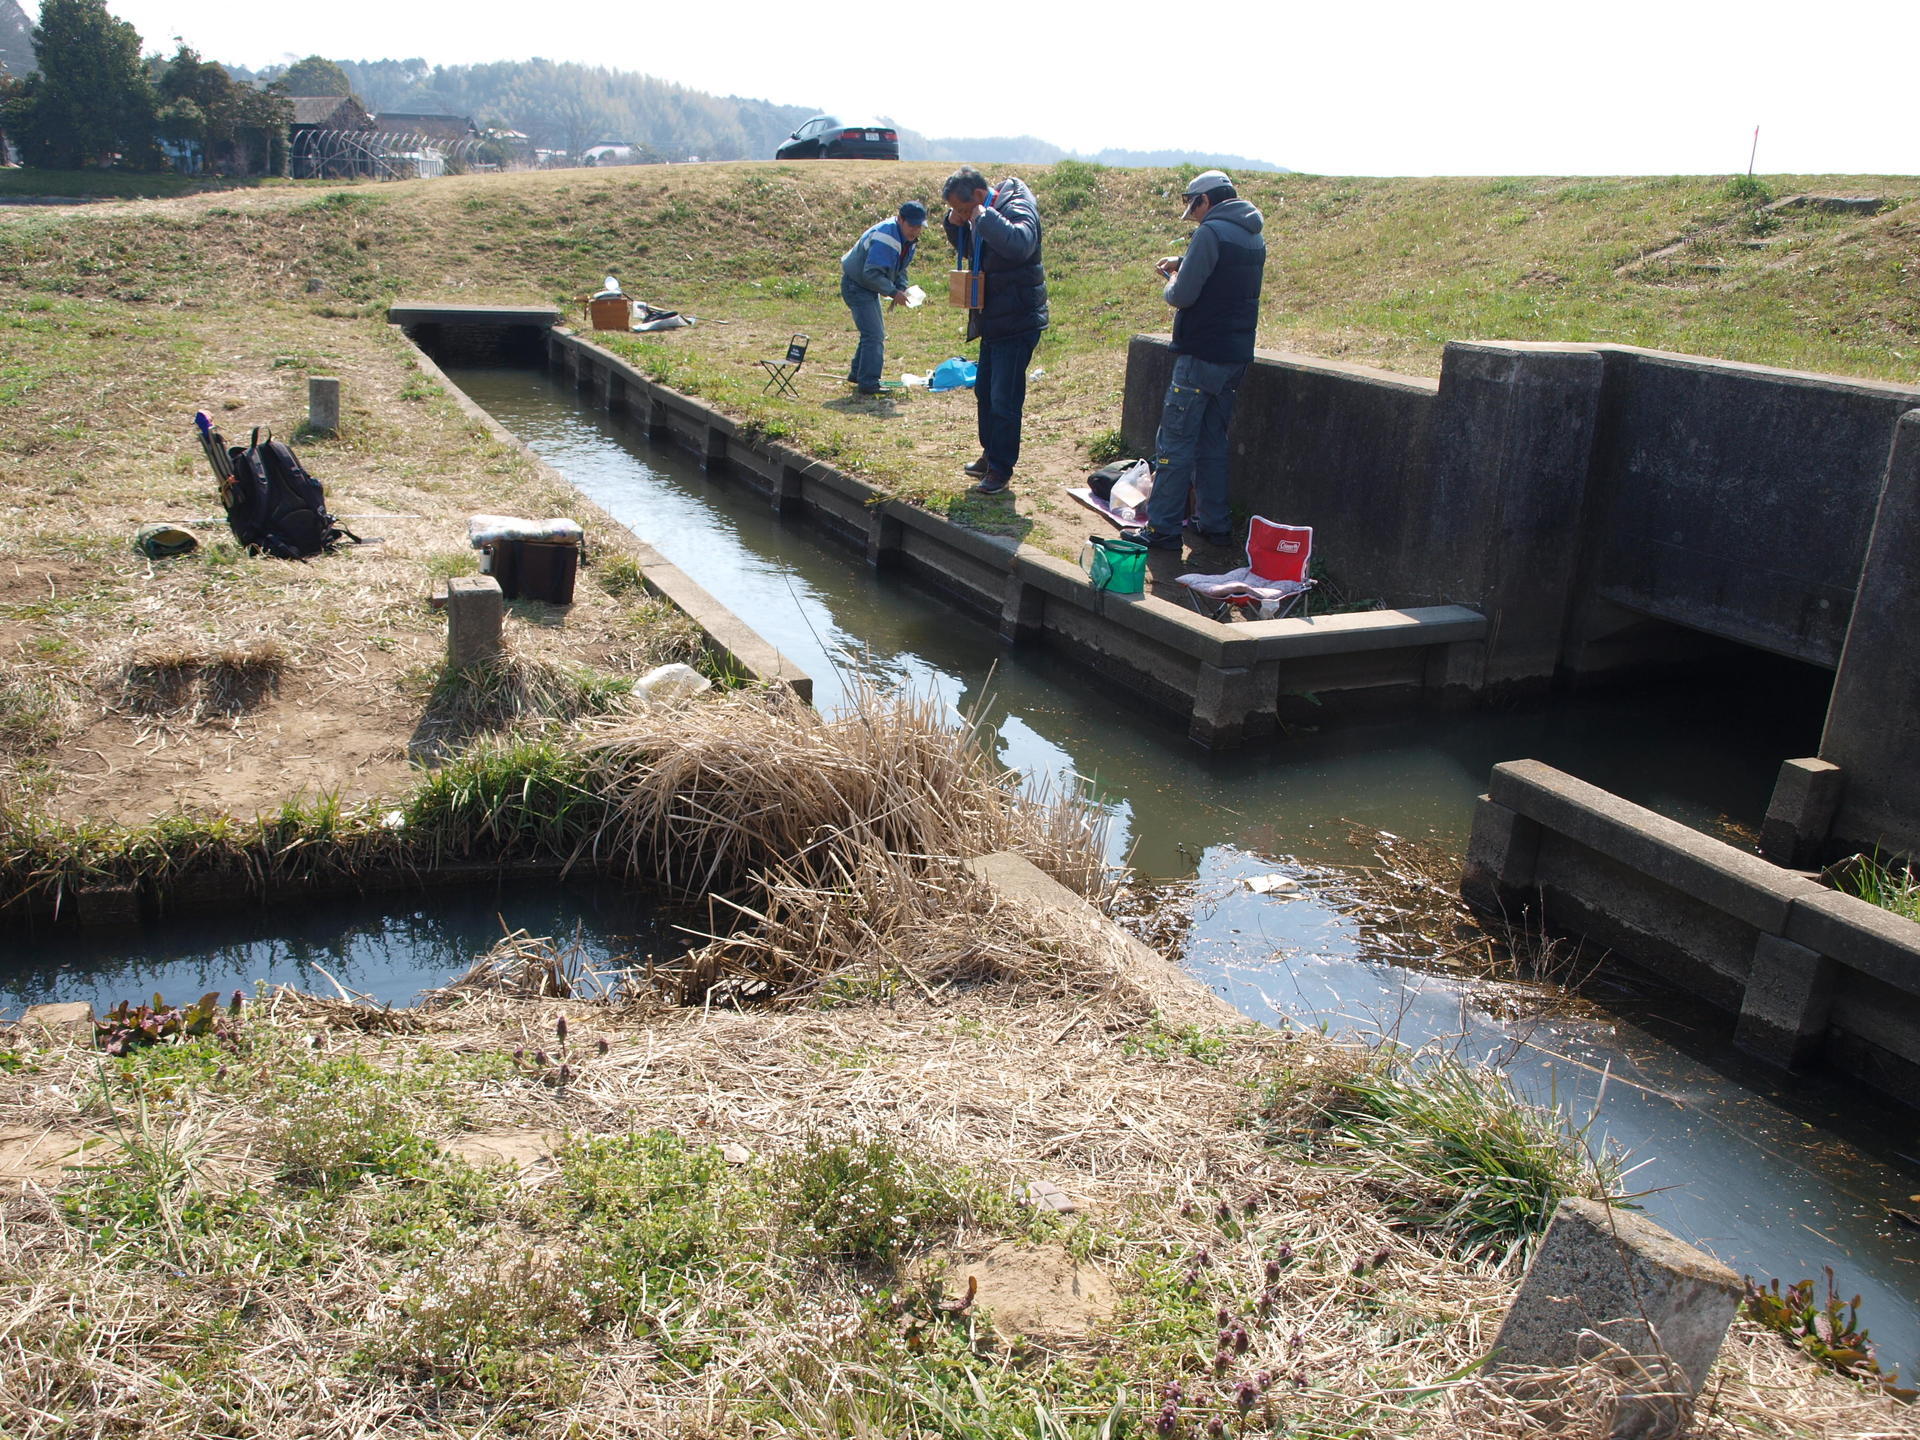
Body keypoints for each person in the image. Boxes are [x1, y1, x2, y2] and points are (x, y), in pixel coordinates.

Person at [1123, 170, 1266, 551]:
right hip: (1234, 356)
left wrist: (1171, 278)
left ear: (1206, 200)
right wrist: (1184, 258)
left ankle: (1163, 529)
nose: (1194, 214)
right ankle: (1215, 524)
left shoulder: (1211, 231)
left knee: (1174, 443)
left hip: (1201, 352)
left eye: (1195, 205)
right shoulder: (1252, 233)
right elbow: (1223, 270)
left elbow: (1182, 296)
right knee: (1212, 443)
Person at [940, 167, 1048, 495]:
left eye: (961, 209)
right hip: (994, 319)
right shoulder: (981, 213)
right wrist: (954, 224)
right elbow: (977, 251)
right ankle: (990, 455)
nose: (959, 215)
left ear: (976, 196)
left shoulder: (1016, 207)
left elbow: (1020, 245)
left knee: (1005, 398)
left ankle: (1002, 468)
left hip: (1017, 320)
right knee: (984, 391)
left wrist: (982, 218)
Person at [840, 201, 926, 395]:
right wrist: (893, 292)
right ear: (901, 220)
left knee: (872, 332)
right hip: (857, 286)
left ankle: (857, 374)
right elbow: (871, 273)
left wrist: (902, 287)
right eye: (912, 225)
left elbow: (899, 268)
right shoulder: (886, 237)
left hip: (864, 285)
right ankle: (869, 383)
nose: (915, 230)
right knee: (875, 334)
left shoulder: (906, 239)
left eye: (919, 226)